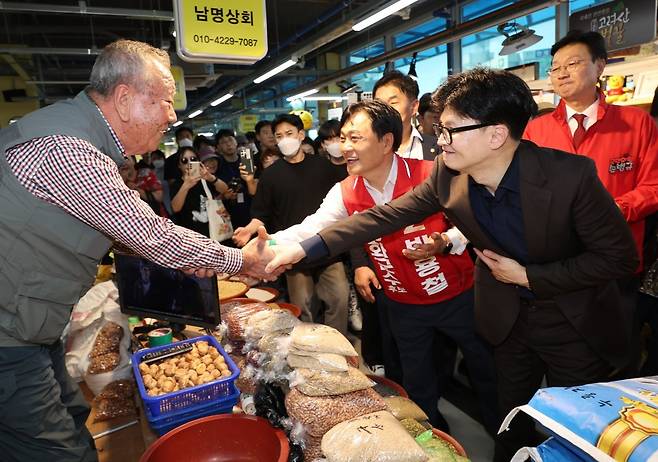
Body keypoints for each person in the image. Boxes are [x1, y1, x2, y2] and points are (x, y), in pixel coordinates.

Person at [264, 67, 638, 461]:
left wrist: (530, 277)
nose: (439, 141)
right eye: (439, 129)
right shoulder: (449, 175)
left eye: (450, 130)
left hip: (573, 321)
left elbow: (619, 258)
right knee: (508, 419)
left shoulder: (569, 177)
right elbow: (382, 217)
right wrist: (300, 249)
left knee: (572, 431)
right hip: (508, 321)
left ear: (495, 135)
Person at [0, 39, 278, 462]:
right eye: (165, 102)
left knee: (73, 418)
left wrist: (199, 258)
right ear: (125, 99)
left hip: (31, 325)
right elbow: (149, 233)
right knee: (56, 451)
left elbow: (130, 232)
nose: (172, 115)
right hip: (8, 337)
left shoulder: (80, 138)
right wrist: (242, 262)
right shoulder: (69, 150)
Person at [267, 100, 498, 433]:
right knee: (416, 382)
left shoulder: (431, 173)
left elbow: (475, 221)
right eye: (342, 138)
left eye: (355, 138)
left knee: (485, 371)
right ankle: (431, 441)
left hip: (458, 296)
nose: (345, 147)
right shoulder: (345, 192)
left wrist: (445, 241)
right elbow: (312, 228)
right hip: (403, 305)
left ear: (386, 141)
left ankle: (504, 439)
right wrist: (266, 246)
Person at [233, 113, 350, 335]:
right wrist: (249, 230)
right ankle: (307, 350)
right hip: (291, 254)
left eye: (289, 133)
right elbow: (261, 213)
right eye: (279, 136)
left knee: (339, 298)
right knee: (302, 307)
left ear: (301, 135)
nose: (285, 139)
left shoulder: (323, 166)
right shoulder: (270, 176)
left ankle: (337, 346)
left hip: (327, 247)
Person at [373, 70, 439, 160]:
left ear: (414, 106)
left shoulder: (438, 148)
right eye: (379, 104)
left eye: (393, 102)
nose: (385, 109)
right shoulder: (365, 150)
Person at [170, 147, 228, 237]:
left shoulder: (205, 178)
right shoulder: (177, 184)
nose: (189, 162)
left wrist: (210, 177)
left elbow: (224, 189)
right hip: (191, 236)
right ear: (179, 165)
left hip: (214, 231)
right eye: (184, 160)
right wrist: (186, 185)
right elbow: (175, 208)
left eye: (193, 159)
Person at [215, 128, 254, 230]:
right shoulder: (218, 166)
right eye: (223, 142)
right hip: (230, 212)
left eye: (230, 140)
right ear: (218, 147)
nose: (228, 144)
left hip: (250, 208)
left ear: (236, 142)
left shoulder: (246, 160)